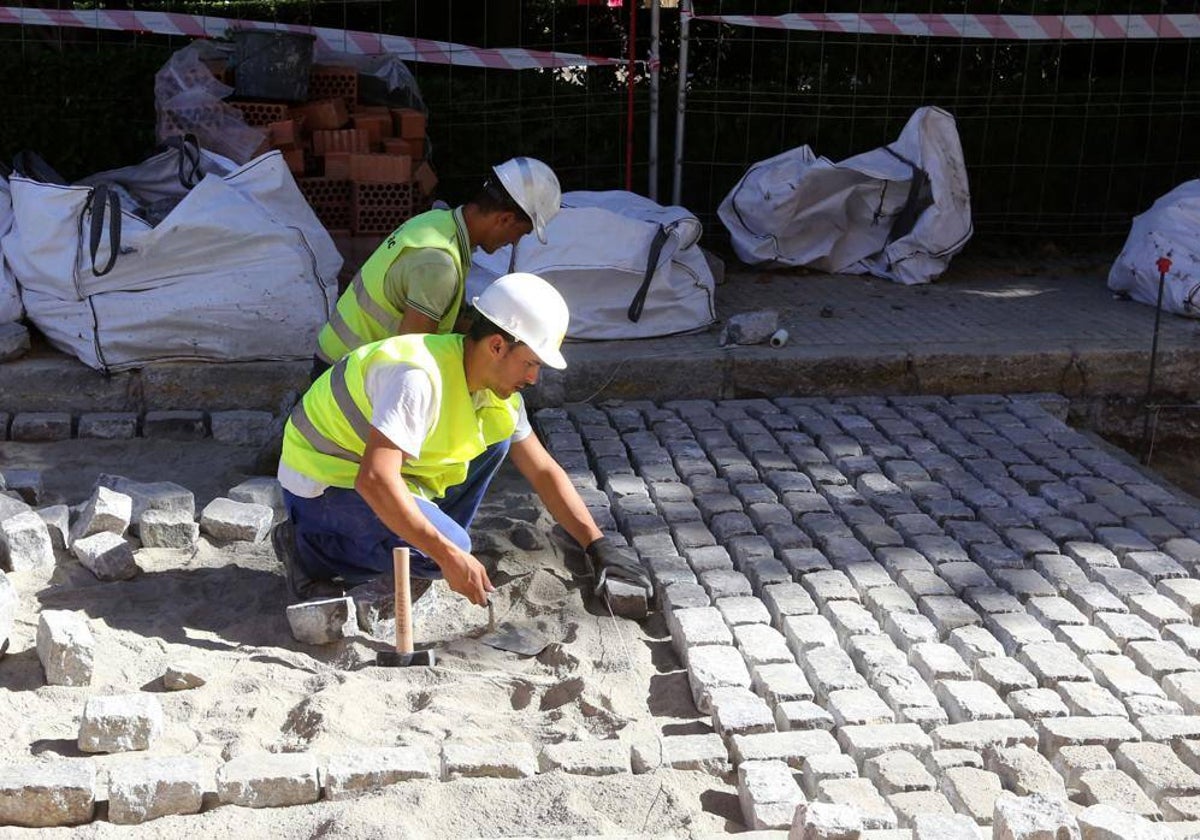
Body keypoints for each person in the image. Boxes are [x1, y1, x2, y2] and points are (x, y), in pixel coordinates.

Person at [273, 272, 651, 607]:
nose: (534, 378)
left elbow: (543, 472)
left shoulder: (495, 393)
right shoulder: (417, 377)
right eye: (532, 363)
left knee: (497, 442)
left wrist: (597, 545)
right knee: (452, 548)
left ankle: (419, 546)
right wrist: (448, 554)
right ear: (497, 345)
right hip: (322, 484)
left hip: (377, 477)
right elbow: (374, 479)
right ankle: (308, 551)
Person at [311, 156, 562, 382]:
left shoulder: (438, 224)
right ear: (505, 219)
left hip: (342, 358)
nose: (515, 242)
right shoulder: (439, 264)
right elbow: (411, 362)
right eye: (521, 232)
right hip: (342, 375)